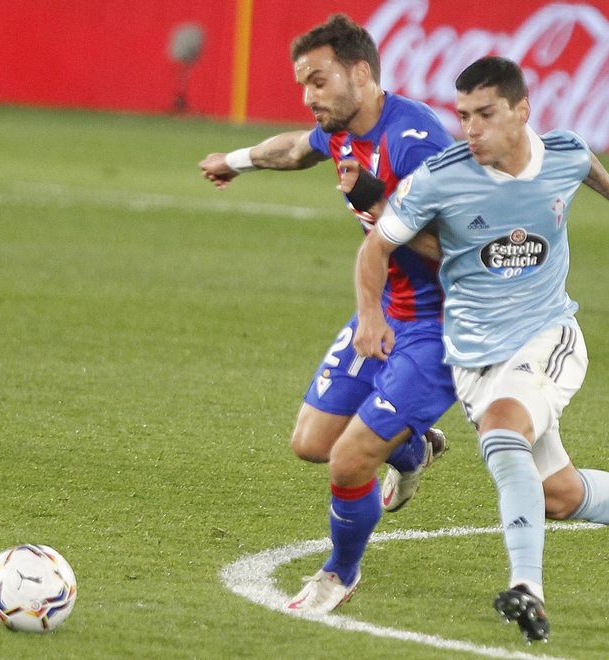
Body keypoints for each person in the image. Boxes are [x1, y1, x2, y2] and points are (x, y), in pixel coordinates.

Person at [352, 56, 609, 642]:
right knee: (559, 496)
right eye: (463, 115)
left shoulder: (559, 152)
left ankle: (527, 589)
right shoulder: (443, 177)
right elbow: (377, 246)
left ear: (522, 111)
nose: (470, 129)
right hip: (473, 358)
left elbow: (583, 161)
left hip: (548, 336)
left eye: (485, 115)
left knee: (502, 432)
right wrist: (370, 315)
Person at [198, 15, 456, 613]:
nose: (308, 96)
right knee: (312, 443)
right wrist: (236, 160)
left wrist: (380, 204)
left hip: (440, 327)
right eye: (302, 85)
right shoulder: (341, 131)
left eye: (318, 81)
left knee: (347, 459)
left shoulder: (414, 143)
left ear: (360, 73)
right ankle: (414, 450)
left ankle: (339, 573)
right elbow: (294, 147)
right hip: (385, 308)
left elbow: (462, 255)